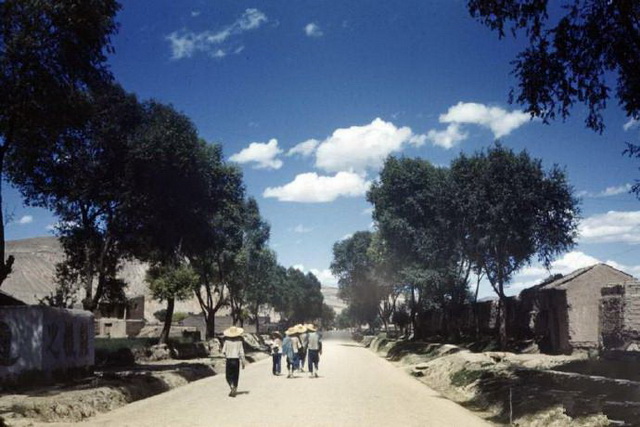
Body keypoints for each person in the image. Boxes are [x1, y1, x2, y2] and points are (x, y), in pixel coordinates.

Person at [221, 326, 246, 397]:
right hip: (236, 360)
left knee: (228, 375)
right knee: (236, 375)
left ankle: (231, 385)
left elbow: (223, 351)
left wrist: (226, 355)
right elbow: (242, 352)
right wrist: (243, 362)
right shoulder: (239, 342)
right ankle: (234, 387)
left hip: (229, 359)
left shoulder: (226, 342)